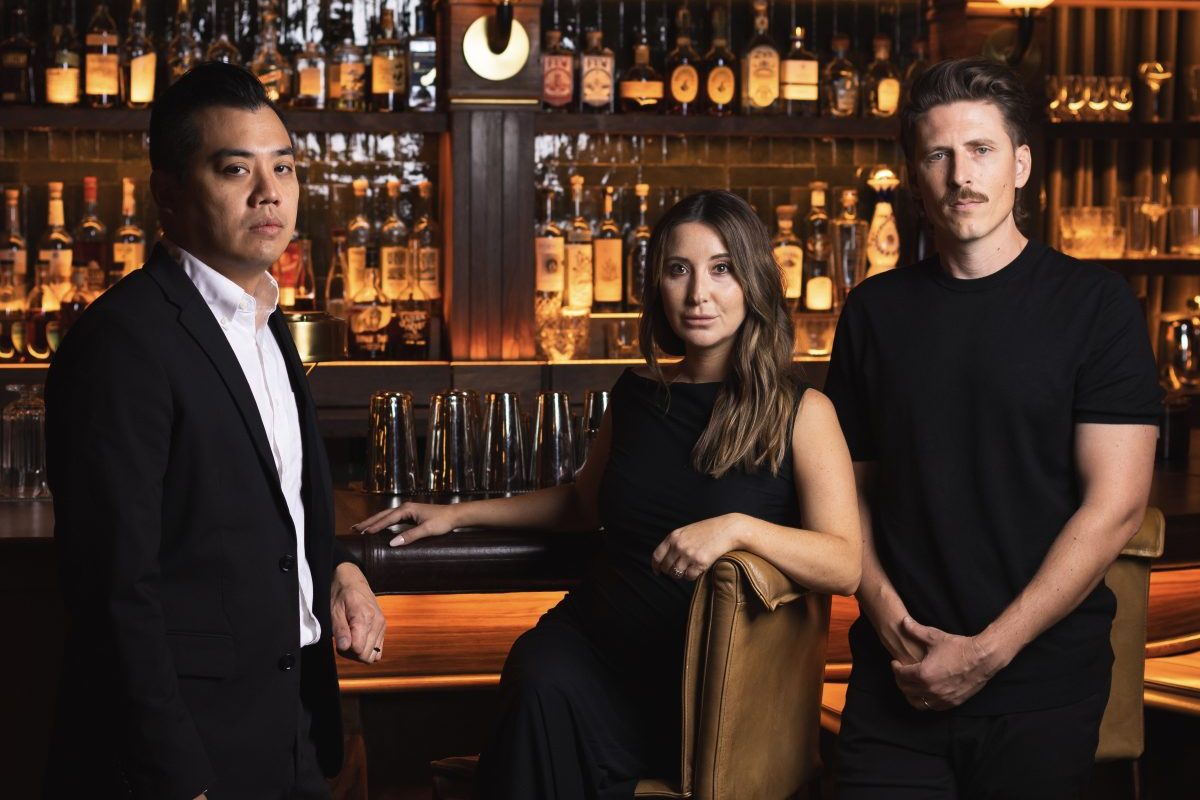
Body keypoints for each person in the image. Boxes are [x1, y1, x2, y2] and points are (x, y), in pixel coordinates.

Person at [355, 190, 862, 798]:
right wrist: (456, 515)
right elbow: (579, 505)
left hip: (701, 688)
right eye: (679, 270)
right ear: (658, 287)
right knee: (539, 673)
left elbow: (844, 562)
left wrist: (737, 528)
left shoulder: (802, 411)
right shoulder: (637, 397)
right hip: (590, 645)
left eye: (722, 269)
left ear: (753, 280)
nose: (699, 293)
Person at [44, 62, 385, 800]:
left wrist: (334, 568)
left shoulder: (268, 327)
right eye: (236, 169)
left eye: (285, 168)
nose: (270, 193)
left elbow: (257, 511)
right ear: (168, 193)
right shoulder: (123, 343)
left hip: (287, 722)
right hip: (187, 748)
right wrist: (176, 774)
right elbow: (111, 587)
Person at [825, 58, 1162, 799]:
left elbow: (1117, 508)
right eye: (938, 155)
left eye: (981, 150)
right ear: (915, 177)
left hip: (1040, 681)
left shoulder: (1096, 307)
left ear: (1023, 164)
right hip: (897, 678)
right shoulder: (873, 313)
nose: (959, 175)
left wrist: (987, 652)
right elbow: (846, 494)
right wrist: (886, 620)